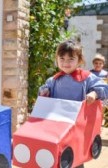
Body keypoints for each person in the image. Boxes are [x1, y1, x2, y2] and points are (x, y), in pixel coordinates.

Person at [39, 40, 108, 168]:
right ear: (57, 59)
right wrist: (44, 92)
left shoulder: (87, 77)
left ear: (79, 60)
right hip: (57, 127)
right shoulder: (53, 80)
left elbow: (104, 88)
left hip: (78, 128)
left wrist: (94, 94)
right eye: (62, 58)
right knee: (56, 156)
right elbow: (43, 91)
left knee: (74, 158)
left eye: (71, 59)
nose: (65, 63)